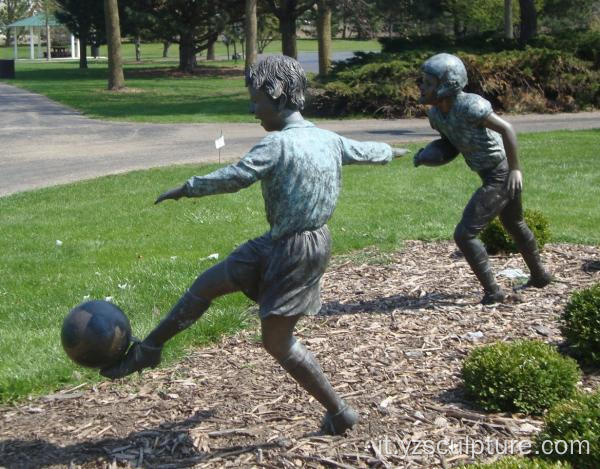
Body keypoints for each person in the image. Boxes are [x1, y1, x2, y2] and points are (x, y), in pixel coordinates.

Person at [100, 55, 408, 435]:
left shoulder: (277, 144)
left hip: (297, 253)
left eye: (255, 99)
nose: (251, 108)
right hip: (280, 242)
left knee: (278, 343)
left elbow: (237, 176)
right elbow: (366, 151)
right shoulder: (327, 139)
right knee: (207, 284)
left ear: (276, 95)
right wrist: (391, 152)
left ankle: (340, 410)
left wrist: (187, 188)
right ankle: (148, 351)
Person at [414, 53, 551, 304]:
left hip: (500, 173)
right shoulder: (436, 115)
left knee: (465, 234)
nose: (421, 86)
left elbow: (507, 129)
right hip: (489, 173)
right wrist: (427, 156)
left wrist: (515, 170)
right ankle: (540, 276)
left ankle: (494, 292)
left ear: (447, 84)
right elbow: (451, 144)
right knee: (514, 225)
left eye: (427, 82)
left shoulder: (471, 106)